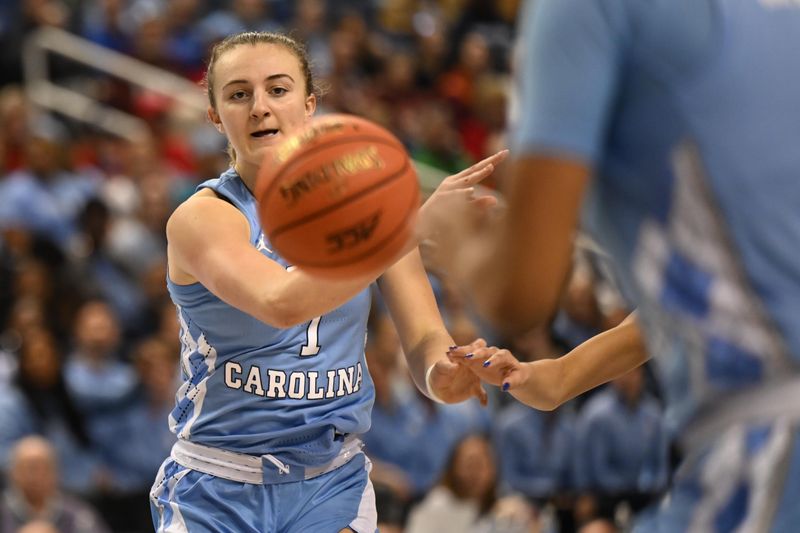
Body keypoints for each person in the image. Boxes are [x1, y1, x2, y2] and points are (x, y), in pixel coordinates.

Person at [434, 0, 800, 530]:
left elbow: (519, 296)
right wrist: (561, 375)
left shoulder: (584, 11)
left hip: (771, 445)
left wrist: (454, 241)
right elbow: (724, 294)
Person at [149, 30, 508, 533]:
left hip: (330, 482)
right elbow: (280, 302)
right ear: (215, 116)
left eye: (278, 89)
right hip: (218, 482)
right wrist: (412, 226)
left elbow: (427, 338)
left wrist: (441, 376)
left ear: (310, 104)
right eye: (238, 94)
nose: (259, 107)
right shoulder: (204, 217)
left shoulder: (375, 212)